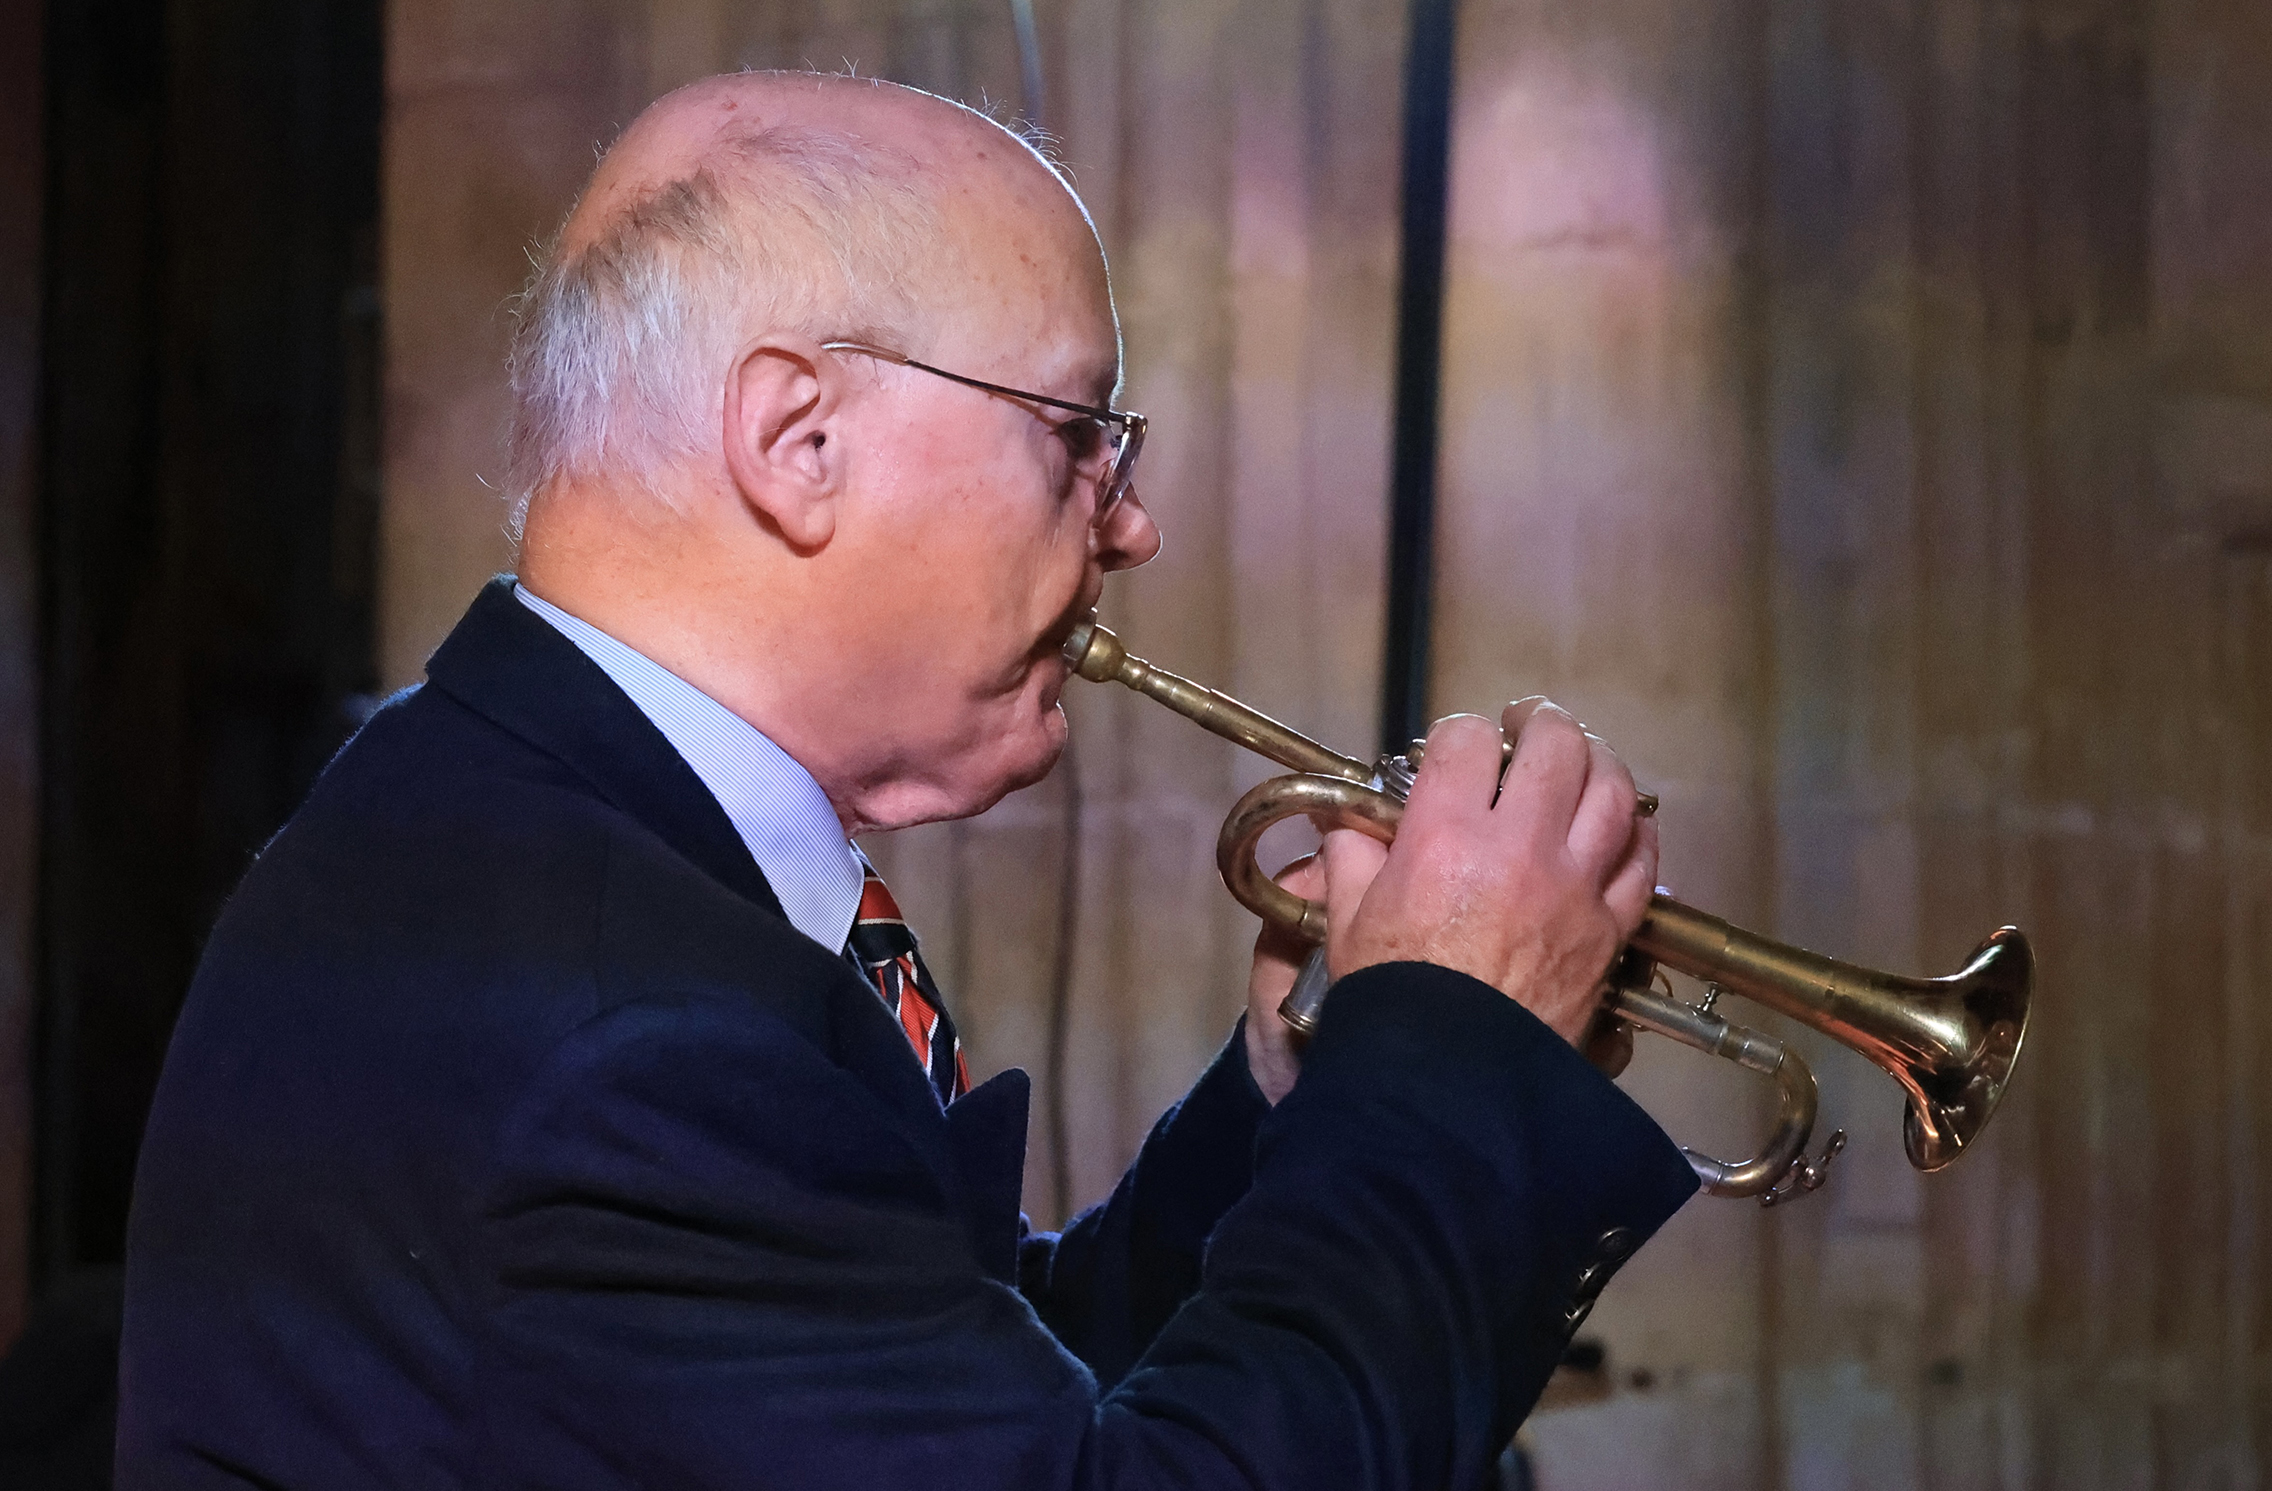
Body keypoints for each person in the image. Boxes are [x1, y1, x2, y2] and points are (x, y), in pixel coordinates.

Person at [114, 72, 1695, 1488]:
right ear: (798, 441)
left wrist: (1311, 1077)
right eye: (1076, 433)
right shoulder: (621, 1031)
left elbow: (974, 1389)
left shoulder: (517, 810)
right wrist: (1450, 1054)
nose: (1132, 524)